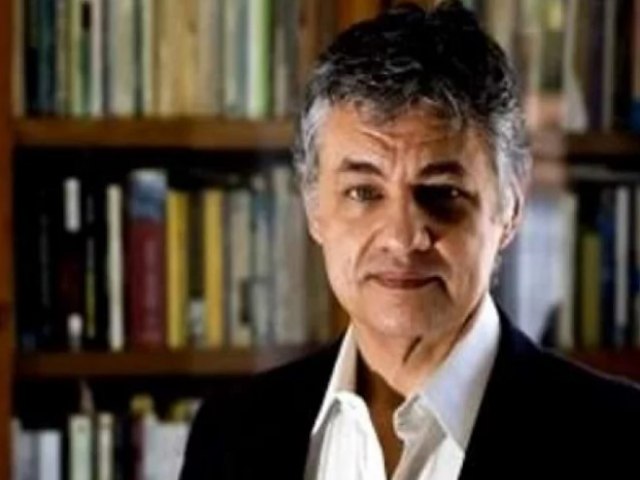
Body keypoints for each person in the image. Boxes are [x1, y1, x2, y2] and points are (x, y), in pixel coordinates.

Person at [179, 2, 640, 479]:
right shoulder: (231, 432)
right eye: (363, 192)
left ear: (510, 209)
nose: (402, 238)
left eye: (442, 193)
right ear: (314, 207)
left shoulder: (621, 439)